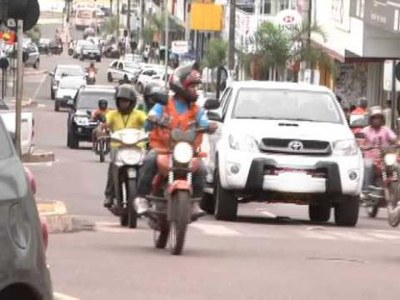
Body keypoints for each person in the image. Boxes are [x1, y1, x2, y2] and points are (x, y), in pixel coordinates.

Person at [134, 64, 217, 219]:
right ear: (181, 86)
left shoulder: (197, 110)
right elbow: (150, 119)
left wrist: (209, 126)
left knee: (202, 169)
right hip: (163, 149)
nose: (195, 90)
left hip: (188, 151)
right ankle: (141, 198)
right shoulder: (164, 104)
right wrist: (152, 119)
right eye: (192, 86)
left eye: (196, 87)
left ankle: (194, 203)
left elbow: (204, 122)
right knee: (149, 160)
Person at [103, 85, 147, 208]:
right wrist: (102, 128)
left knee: (145, 168)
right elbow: (105, 122)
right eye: (121, 101)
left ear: (132, 102)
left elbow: (147, 122)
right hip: (118, 148)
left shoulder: (138, 114)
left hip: (136, 148)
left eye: (126, 101)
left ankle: (143, 196)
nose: (123, 104)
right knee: (112, 168)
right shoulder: (113, 114)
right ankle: (109, 195)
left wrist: (153, 124)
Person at [360, 106, 397, 194]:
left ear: (382, 119)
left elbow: (394, 139)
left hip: (384, 158)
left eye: (379, 118)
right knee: (367, 165)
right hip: (371, 159)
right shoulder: (366, 130)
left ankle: (396, 191)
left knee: (395, 165)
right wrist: (363, 146)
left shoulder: (386, 130)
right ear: (371, 119)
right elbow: (359, 142)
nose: (377, 120)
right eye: (375, 118)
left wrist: (396, 142)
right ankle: (366, 190)